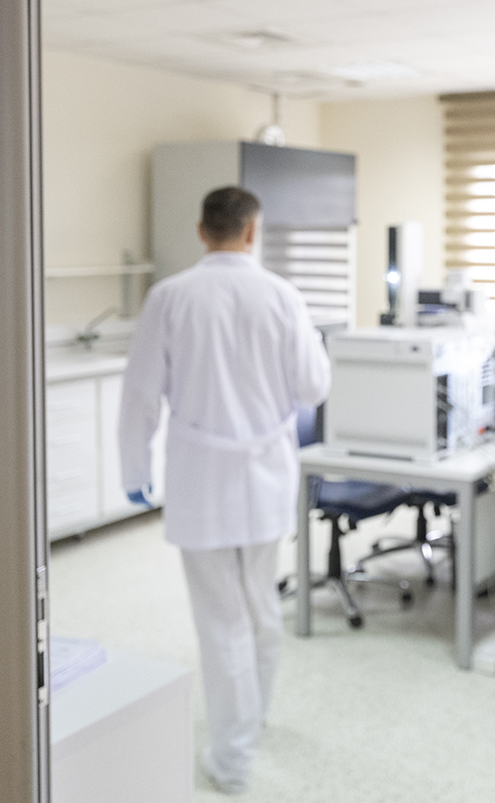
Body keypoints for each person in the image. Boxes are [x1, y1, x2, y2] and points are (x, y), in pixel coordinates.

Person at [119, 186, 331, 795]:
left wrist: (134, 471)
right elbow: (313, 387)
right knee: (261, 607)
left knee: (221, 620)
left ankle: (233, 758)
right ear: (252, 231)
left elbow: (140, 395)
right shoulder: (283, 296)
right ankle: (251, 718)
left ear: (201, 230)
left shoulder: (170, 296)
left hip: (201, 479)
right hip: (266, 477)